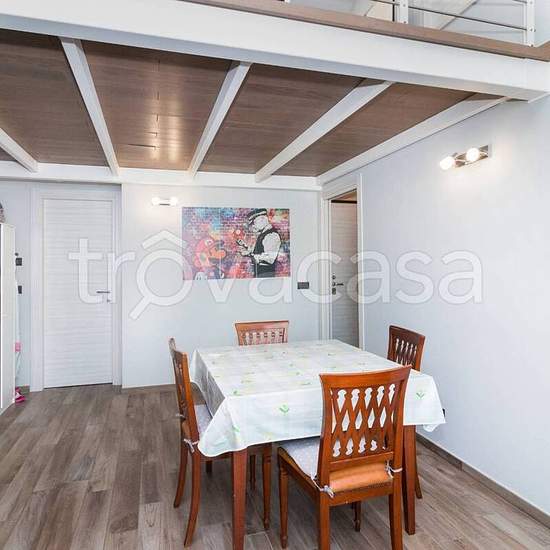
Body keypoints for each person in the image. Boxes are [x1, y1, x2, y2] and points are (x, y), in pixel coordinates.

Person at [238, 208, 281, 278]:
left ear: (263, 219)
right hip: (261, 275)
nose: (253, 226)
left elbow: (269, 259)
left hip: (266, 276)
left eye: (254, 223)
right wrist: (245, 246)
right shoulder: (263, 234)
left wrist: (249, 254)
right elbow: (258, 251)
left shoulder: (272, 235)